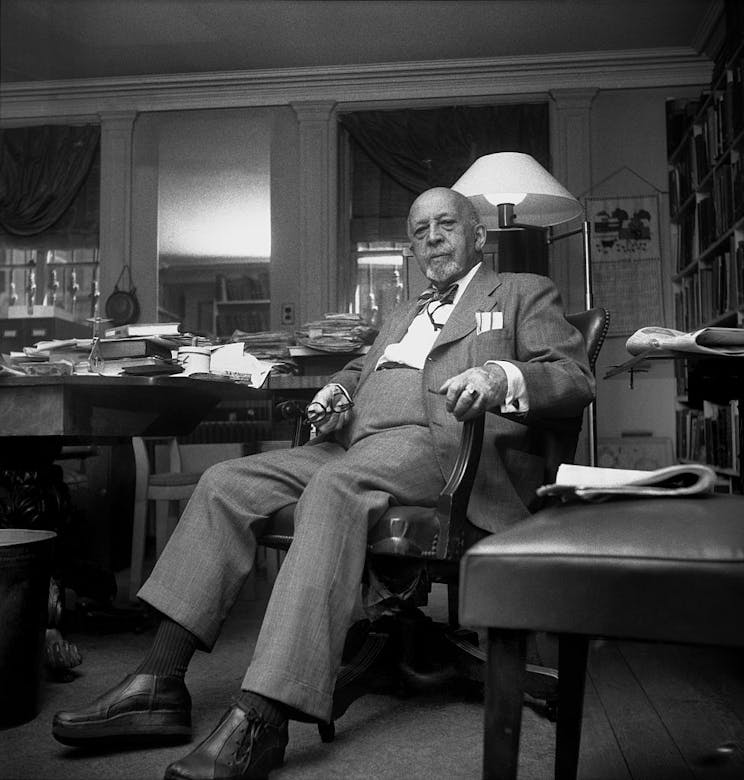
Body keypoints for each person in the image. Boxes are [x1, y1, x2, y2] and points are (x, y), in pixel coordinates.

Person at [52, 187, 595, 779]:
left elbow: (572, 376)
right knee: (225, 482)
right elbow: (363, 369)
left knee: (335, 489)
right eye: (419, 230)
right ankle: (158, 683)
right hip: (354, 444)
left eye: (446, 225)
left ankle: (261, 718)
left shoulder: (519, 292)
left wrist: (498, 374)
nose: (432, 238)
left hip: (442, 449)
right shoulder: (402, 311)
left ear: (477, 235)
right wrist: (336, 390)